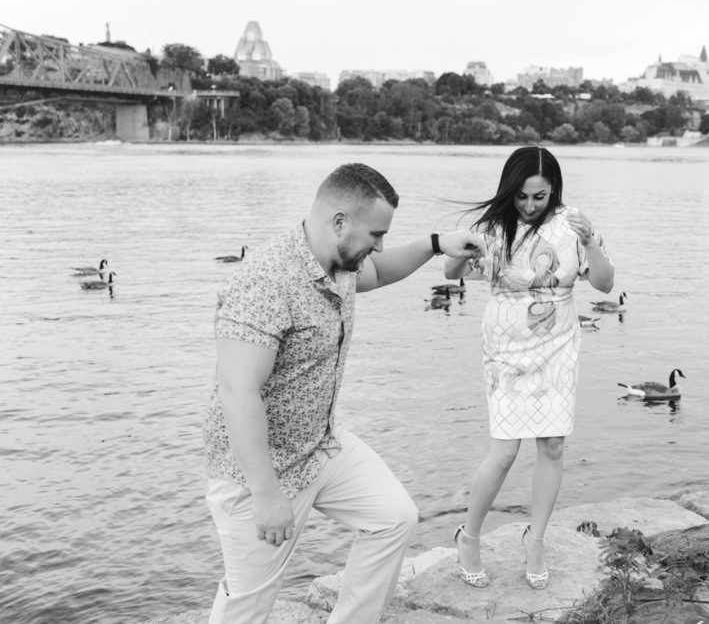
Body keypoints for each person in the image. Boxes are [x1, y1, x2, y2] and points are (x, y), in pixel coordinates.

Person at [202, 162, 485, 624]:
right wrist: (267, 495)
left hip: (320, 445)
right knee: (249, 603)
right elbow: (238, 392)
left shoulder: (339, 263)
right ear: (339, 222)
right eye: (376, 233)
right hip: (258, 470)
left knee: (393, 518)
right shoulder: (264, 283)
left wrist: (437, 245)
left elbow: (381, 271)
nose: (379, 245)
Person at [443, 146, 615, 590]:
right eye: (522, 197)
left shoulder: (572, 223)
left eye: (539, 196)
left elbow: (604, 283)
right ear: (509, 190)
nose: (530, 205)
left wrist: (592, 240)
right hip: (505, 342)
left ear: (554, 189)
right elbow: (450, 272)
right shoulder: (494, 225)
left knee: (553, 444)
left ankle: (535, 539)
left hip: (558, 340)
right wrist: (465, 248)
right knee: (504, 449)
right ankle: (469, 535)